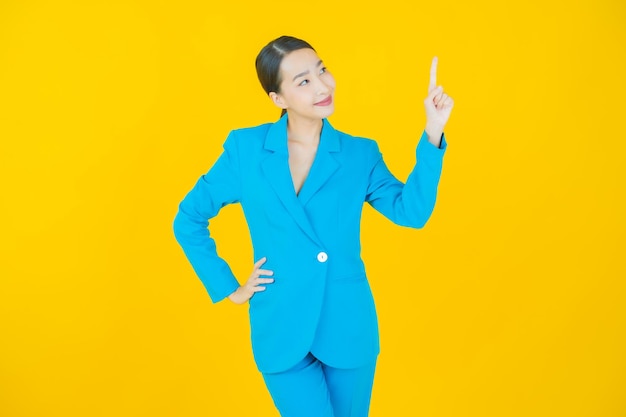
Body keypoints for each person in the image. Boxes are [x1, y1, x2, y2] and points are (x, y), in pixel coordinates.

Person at [173, 35, 453, 417]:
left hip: (348, 324)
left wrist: (433, 132)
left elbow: (411, 212)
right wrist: (229, 288)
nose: (323, 86)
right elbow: (188, 218)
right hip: (280, 324)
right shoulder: (245, 149)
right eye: (303, 81)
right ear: (279, 99)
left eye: (322, 70)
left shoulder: (360, 153)